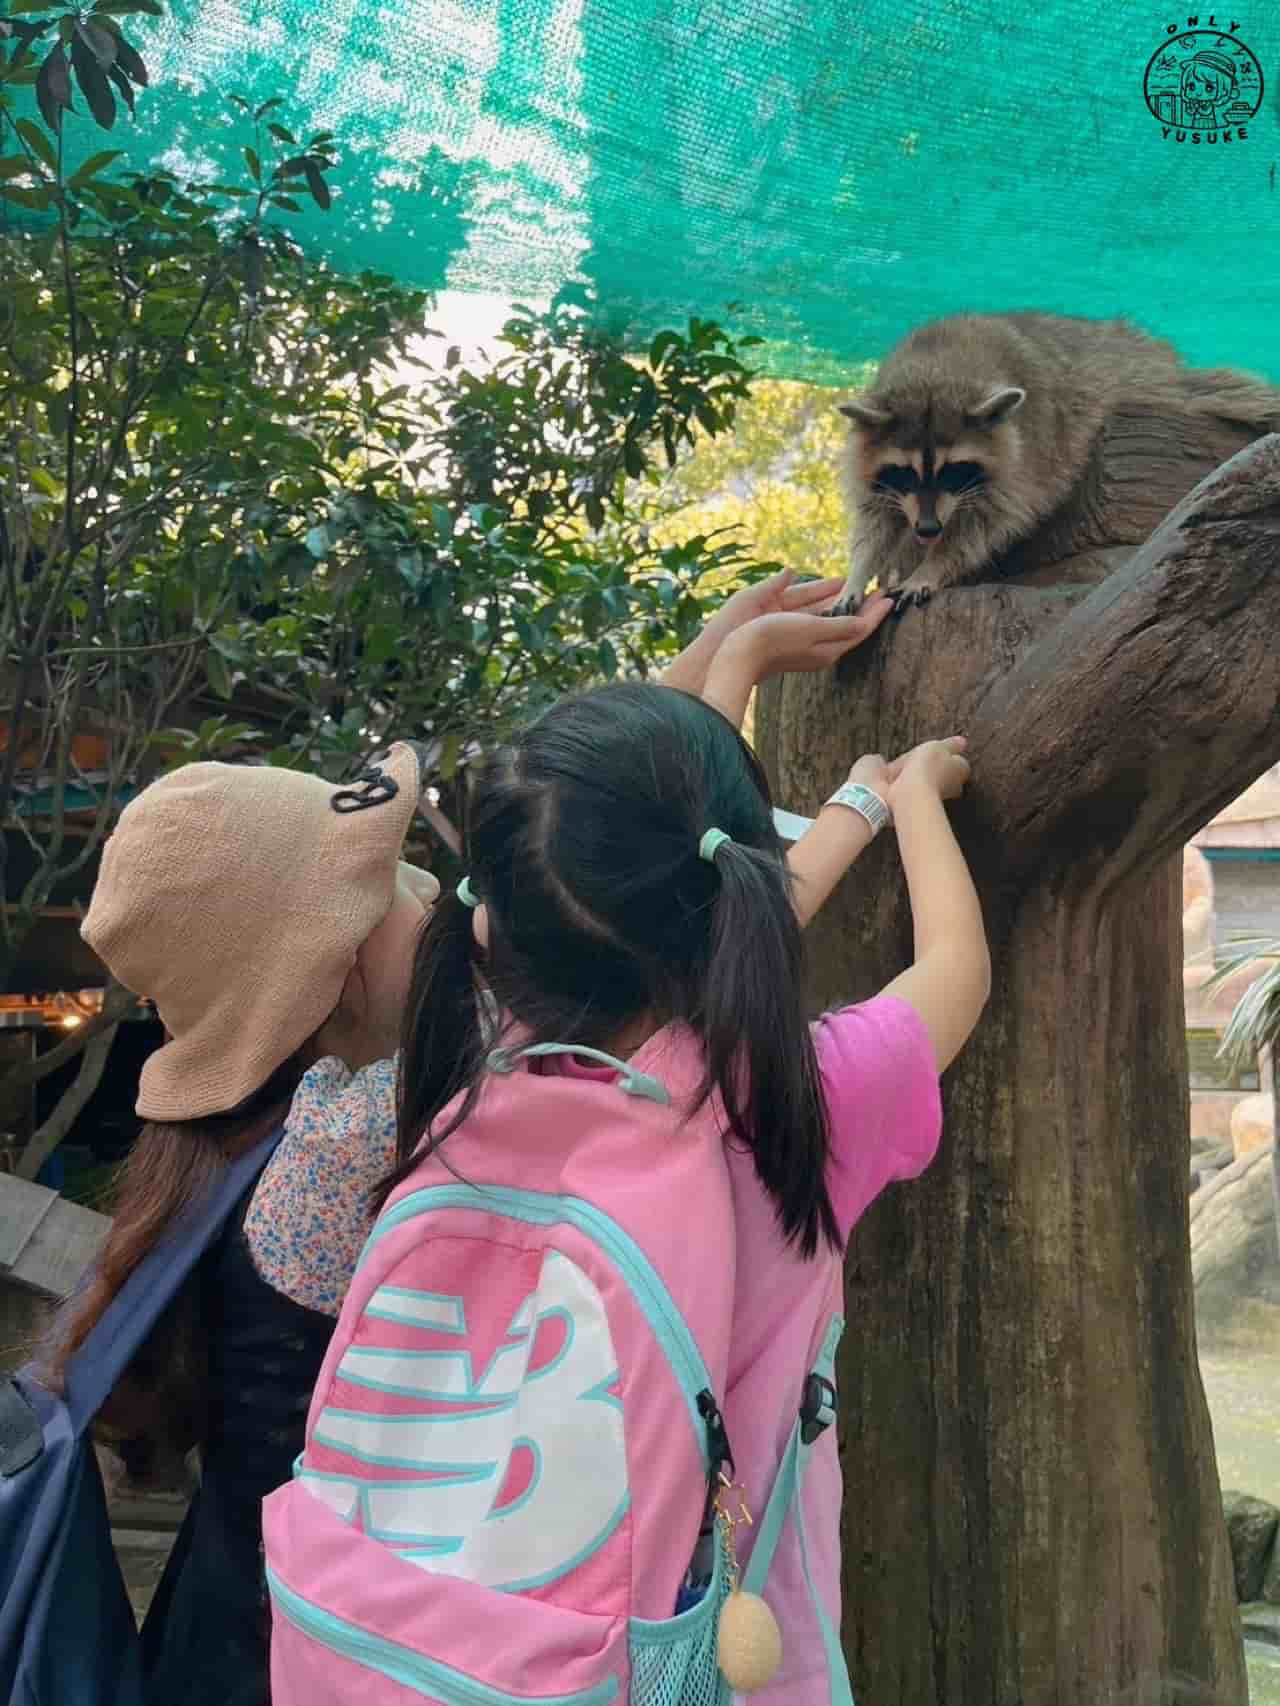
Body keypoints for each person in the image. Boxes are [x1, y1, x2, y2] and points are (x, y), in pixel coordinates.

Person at [291, 637, 987, 1701]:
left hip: (422, 1642)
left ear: (488, 918)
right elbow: (954, 970)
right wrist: (924, 794)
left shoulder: (470, 1072)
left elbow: (651, 905)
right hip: (727, 1650)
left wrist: (836, 776)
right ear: (735, 898)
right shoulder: (801, 1103)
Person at [43, 743, 438, 1706]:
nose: (429, 896)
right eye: (382, 877)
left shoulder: (230, 1145)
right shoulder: (359, 1136)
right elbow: (631, 981)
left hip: (224, 1636)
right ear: (328, 958)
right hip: (303, 1664)